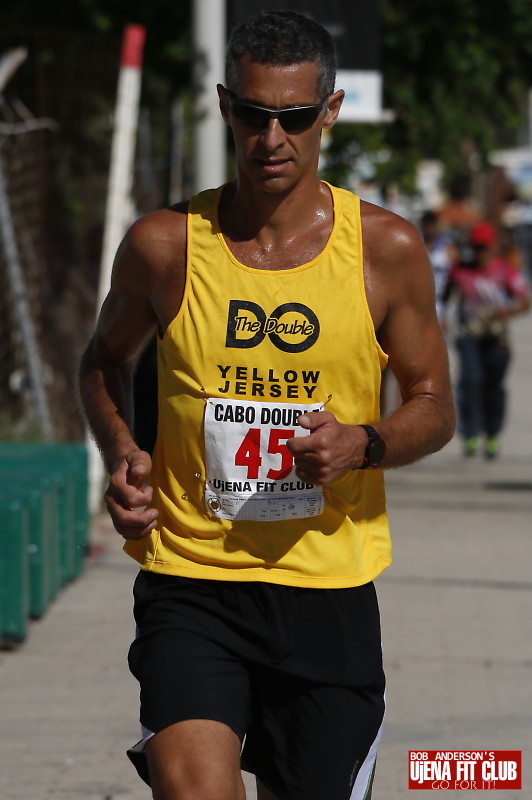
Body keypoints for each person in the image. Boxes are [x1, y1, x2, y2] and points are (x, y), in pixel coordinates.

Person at [79, 10, 455, 800]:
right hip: (193, 580)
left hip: (327, 589)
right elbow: (104, 361)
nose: (271, 138)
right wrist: (124, 454)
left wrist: (363, 443)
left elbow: (433, 406)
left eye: (295, 116)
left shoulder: (384, 249)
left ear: (331, 111)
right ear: (225, 105)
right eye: (252, 114)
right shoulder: (165, 244)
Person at [447, 220, 529, 458]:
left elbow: (524, 301)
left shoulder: (505, 271)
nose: (480, 252)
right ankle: (471, 433)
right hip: (469, 335)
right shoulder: (461, 271)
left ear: (493, 247)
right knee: (471, 381)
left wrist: (507, 311)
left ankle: (492, 434)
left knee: (494, 386)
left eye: (484, 247)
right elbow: (444, 294)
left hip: (496, 339)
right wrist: (442, 317)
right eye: (477, 247)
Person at [419, 210, 453, 323]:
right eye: (427, 224)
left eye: (432, 224)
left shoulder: (446, 249)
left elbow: (451, 280)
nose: (429, 228)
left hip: (439, 301)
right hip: (420, 301)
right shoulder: (417, 246)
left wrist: (447, 310)